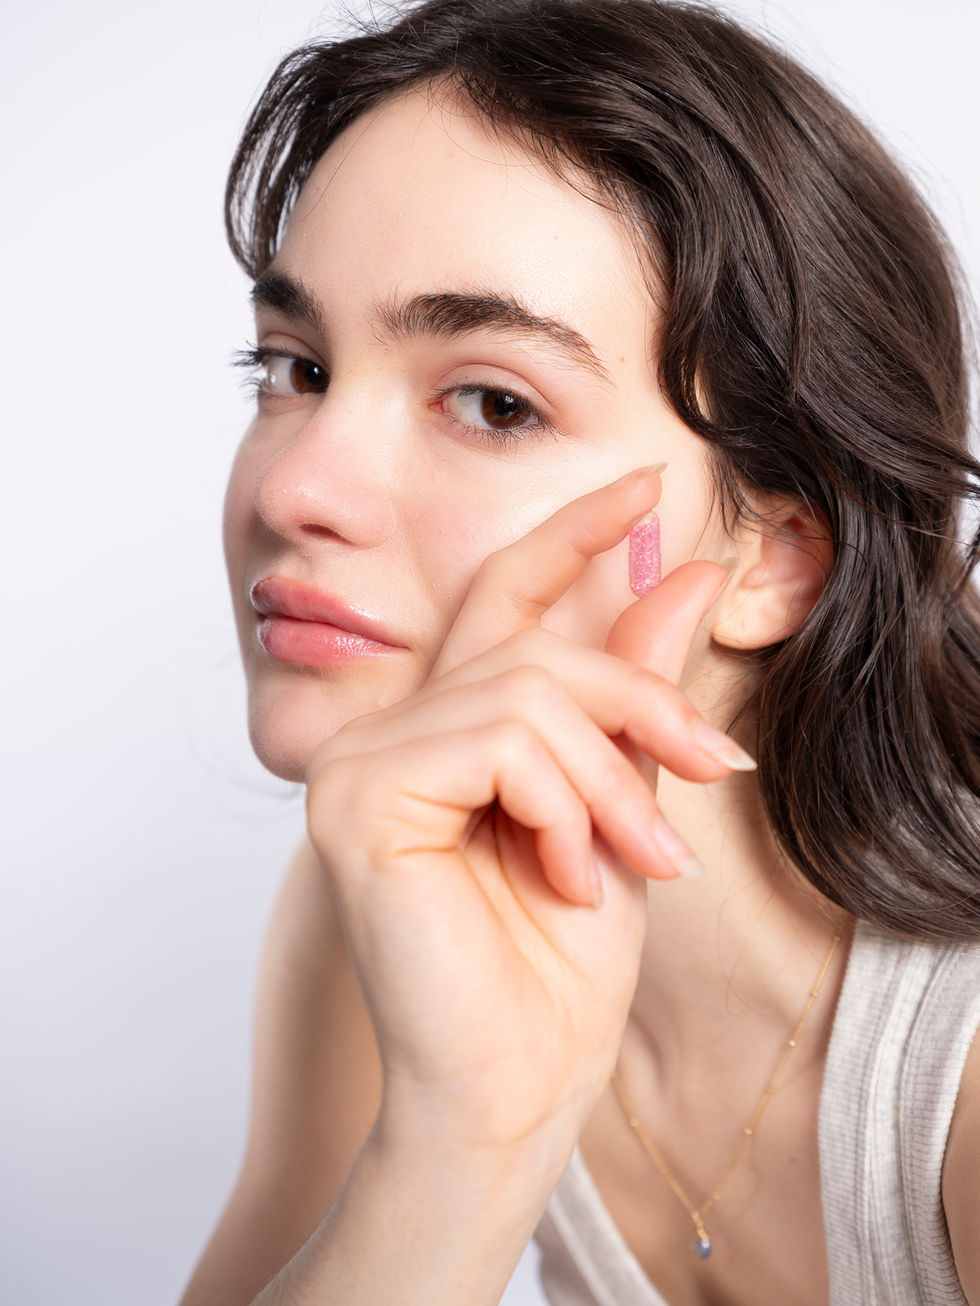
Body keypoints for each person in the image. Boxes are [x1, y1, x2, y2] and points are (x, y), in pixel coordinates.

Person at [178, 0, 980, 1302]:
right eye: (296, 368)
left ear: (778, 555)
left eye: (495, 401)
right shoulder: (376, 897)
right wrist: (460, 1135)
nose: (297, 486)